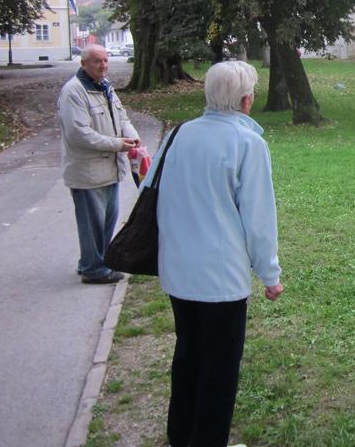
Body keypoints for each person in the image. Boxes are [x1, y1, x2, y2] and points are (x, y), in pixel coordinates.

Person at [147, 60, 283, 447]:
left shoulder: (179, 135)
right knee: (219, 368)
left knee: (188, 354)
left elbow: (149, 192)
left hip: (178, 271)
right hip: (220, 279)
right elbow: (259, 218)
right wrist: (270, 276)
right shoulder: (247, 143)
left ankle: (182, 435)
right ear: (245, 100)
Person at [58, 43, 141, 284]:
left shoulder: (105, 88)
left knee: (107, 220)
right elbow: (78, 134)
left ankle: (92, 262)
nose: (103, 65)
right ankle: (94, 269)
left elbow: (122, 117)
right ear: (84, 64)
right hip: (87, 171)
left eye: (105, 60)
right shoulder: (73, 91)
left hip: (110, 170)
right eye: (97, 61)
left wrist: (132, 137)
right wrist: (118, 144)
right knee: (92, 224)